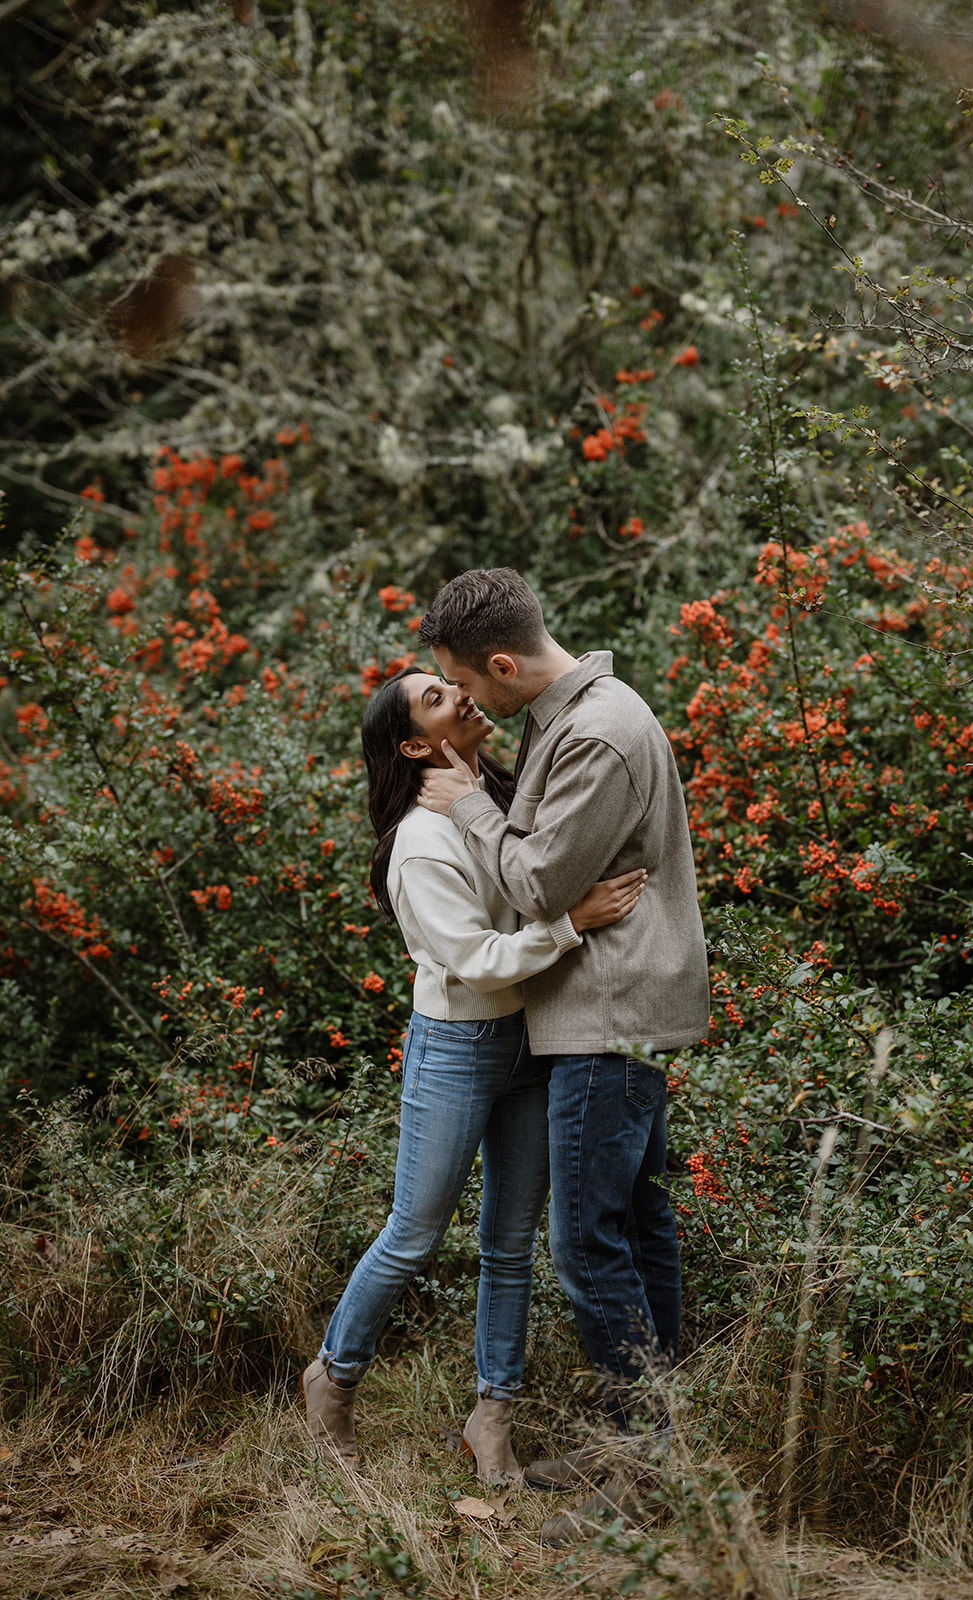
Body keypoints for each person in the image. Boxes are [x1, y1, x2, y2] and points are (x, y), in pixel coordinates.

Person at [416, 569, 710, 1543]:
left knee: (587, 1243)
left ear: (504, 662)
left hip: (606, 1017)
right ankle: (656, 1444)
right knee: (638, 1225)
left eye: (466, 680)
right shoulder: (574, 711)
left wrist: (464, 801)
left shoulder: (593, 729)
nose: (468, 700)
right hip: (610, 1012)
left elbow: (540, 881)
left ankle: (642, 1478)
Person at [302, 664, 646, 1484]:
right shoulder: (420, 843)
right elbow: (477, 960)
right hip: (458, 1047)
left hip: (531, 1041)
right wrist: (570, 924)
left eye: (450, 683)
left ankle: (492, 1417)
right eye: (435, 697)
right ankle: (335, 1377)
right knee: (413, 1236)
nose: (459, 694)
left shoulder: (493, 800)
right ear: (416, 744)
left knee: (509, 1244)